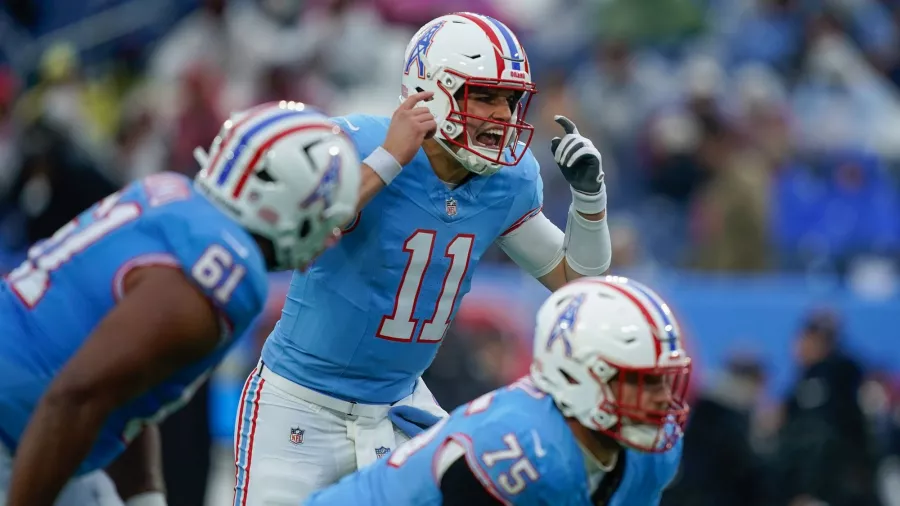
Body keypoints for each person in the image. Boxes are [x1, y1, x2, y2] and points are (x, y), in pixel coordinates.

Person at [233, 12, 615, 504]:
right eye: (485, 95)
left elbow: (582, 289)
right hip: (300, 402)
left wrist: (590, 203)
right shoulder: (359, 142)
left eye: (510, 99)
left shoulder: (509, 180)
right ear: (433, 91)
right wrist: (389, 159)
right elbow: (296, 237)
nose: (502, 114)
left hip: (398, 406)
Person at [0, 101, 361, 506]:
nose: (331, 237)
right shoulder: (223, 274)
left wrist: (145, 496)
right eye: (327, 215)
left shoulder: (175, 198)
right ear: (285, 203)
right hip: (23, 430)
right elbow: (78, 397)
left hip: (36, 426)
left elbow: (121, 382)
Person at [304, 276, 691, 506]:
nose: (661, 398)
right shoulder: (520, 446)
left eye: (663, 381)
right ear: (578, 376)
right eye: (642, 382)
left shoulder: (650, 455)